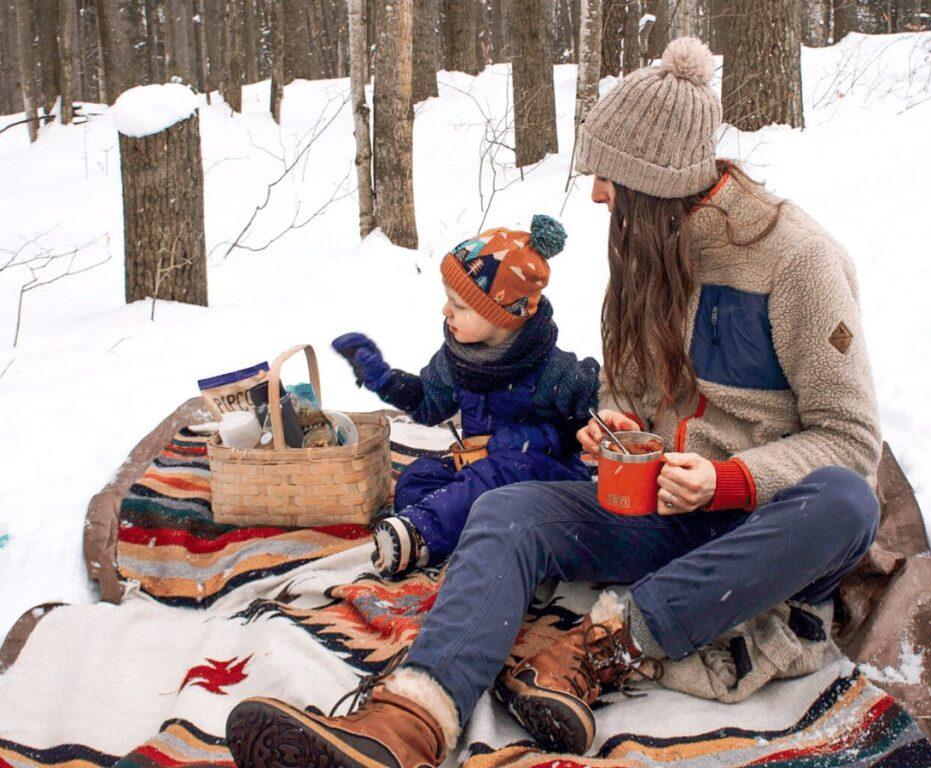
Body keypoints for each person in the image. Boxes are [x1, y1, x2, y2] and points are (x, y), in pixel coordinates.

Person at [226, 36, 882, 768]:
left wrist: (729, 480)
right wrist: (615, 423)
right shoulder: (644, 254)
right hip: (656, 512)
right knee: (505, 509)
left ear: (654, 184)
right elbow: (622, 389)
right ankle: (407, 723)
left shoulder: (800, 259)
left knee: (849, 503)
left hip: (761, 530)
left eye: (611, 178)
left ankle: (613, 644)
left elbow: (851, 441)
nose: (597, 195)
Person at [332, 214, 600, 578]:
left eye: (459, 306)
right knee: (417, 478)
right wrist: (383, 378)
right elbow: (430, 404)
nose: (446, 312)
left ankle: (426, 533)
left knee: (500, 470)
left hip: (543, 479)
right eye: (448, 300)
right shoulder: (458, 357)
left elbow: (589, 423)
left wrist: (521, 441)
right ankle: (446, 533)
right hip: (478, 471)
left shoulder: (553, 368)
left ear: (503, 315)